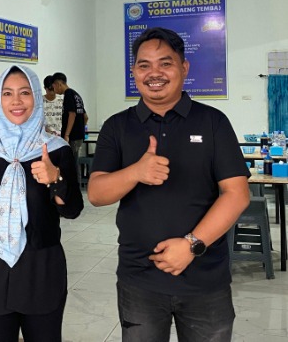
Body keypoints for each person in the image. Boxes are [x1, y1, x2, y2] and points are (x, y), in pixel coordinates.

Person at [88, 27, 250, 342]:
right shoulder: (117, 126)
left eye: (166, 63)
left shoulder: (213, 122)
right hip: (139, 280)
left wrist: (191, 245)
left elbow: (237, 194)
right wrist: (135, 172)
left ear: (184, 68)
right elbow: (96, 193)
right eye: (144, 65)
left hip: (205, 280)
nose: (155, 73)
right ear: (134, 72)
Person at [0, 64, 83, 342]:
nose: (16, 101)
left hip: (42, 268)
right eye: (7, 93)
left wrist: (55, 179)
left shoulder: (56, 149)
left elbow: (72, 210)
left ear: (36, 97)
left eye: (25, 92)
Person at [51, 72, 87, 182]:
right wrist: (80, 128)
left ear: (58, 84)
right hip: (79, 135)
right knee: (74, 162)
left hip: (72, 136)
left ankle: (74, 187)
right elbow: (85, 117)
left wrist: (67, 134)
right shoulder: (76, 95)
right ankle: (76, 186)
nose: (54, 90)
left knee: (72, 164)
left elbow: (72, 114)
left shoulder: (68, 95)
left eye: (54, 87)